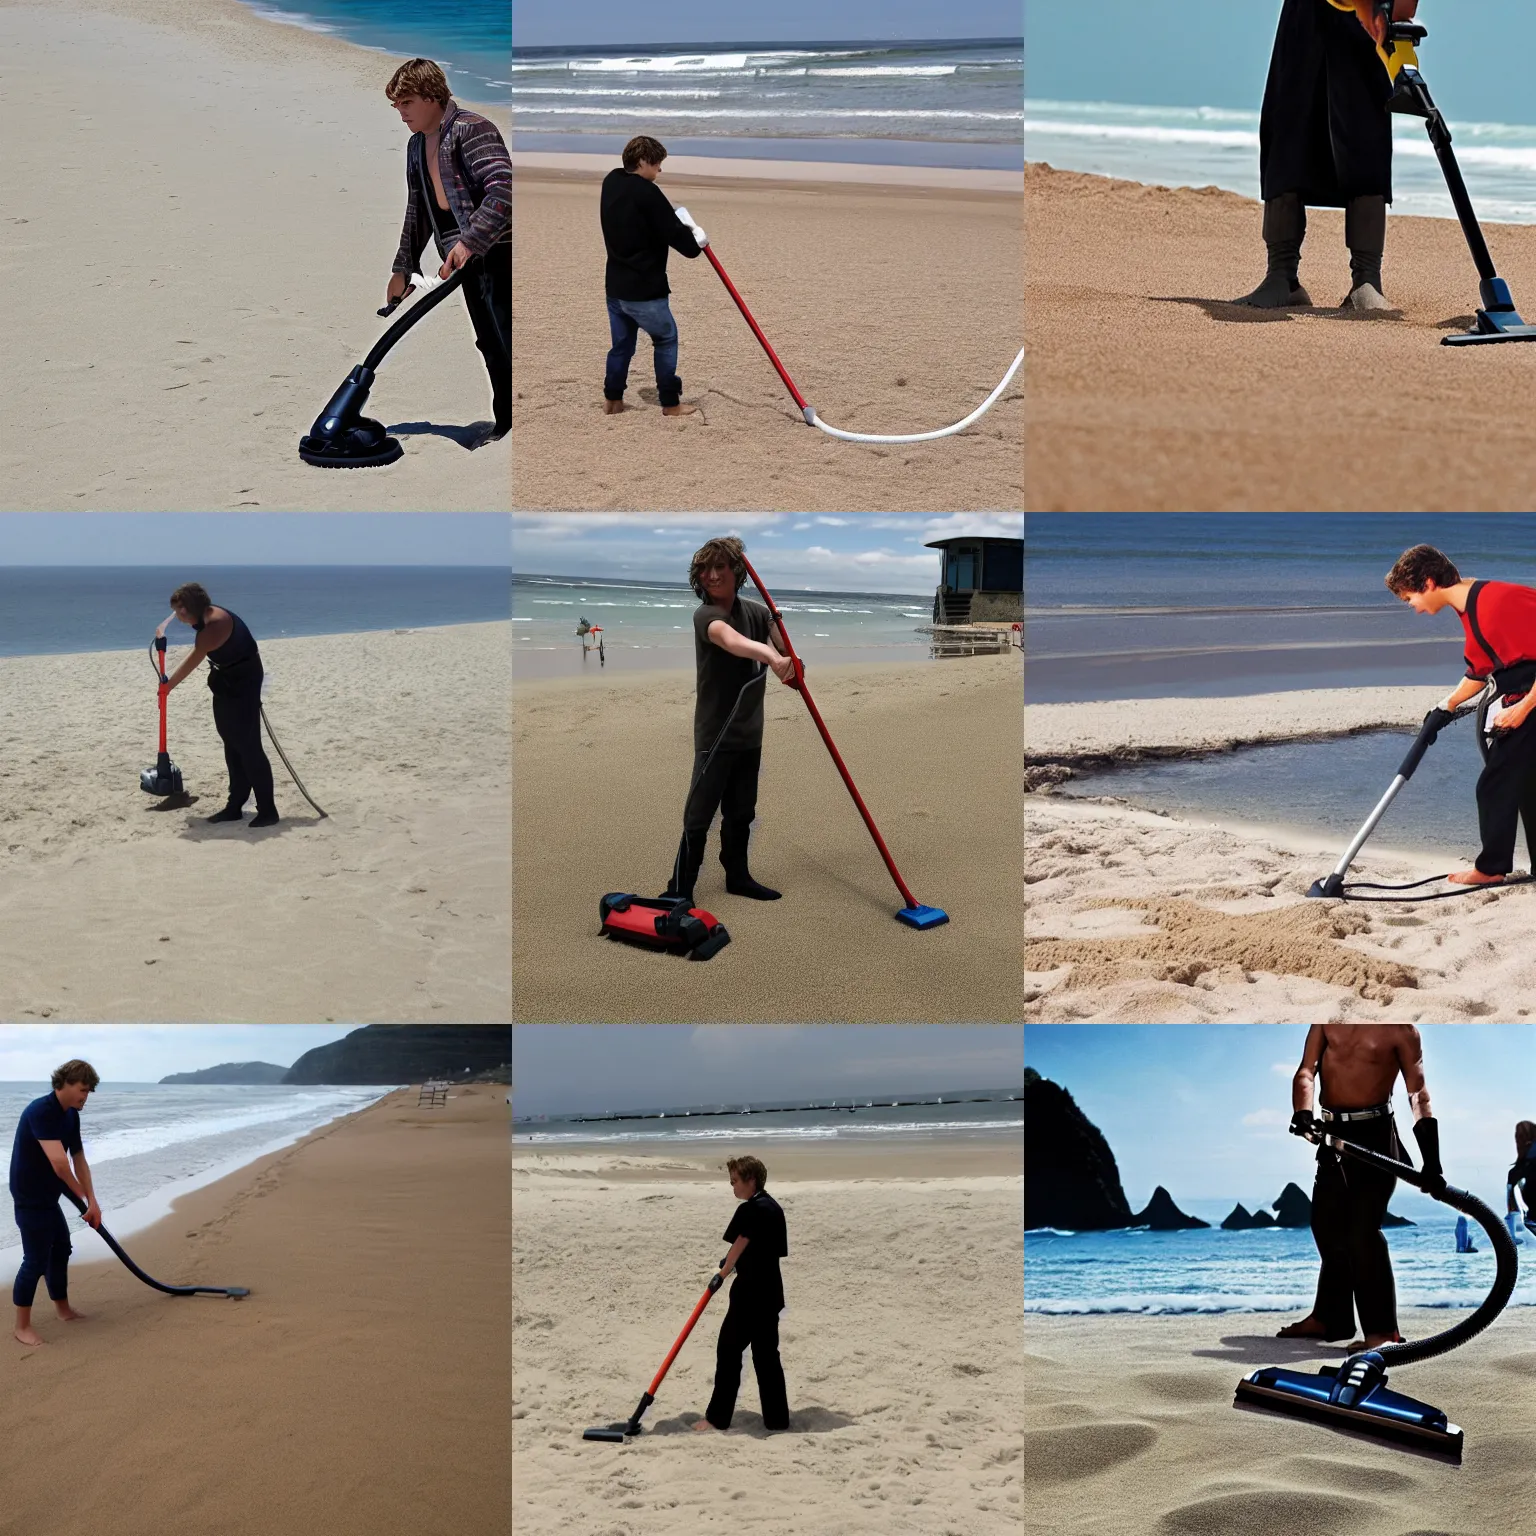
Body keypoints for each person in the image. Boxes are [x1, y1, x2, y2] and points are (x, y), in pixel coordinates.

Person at [1237, 0, 1419, 311]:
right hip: (1305, 10)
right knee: (1287, 127)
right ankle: (1282, 276)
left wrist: (1398, 12)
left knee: (1364, 135)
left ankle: (1366, 280)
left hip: (1367, 16)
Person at [1278, 1024, 1442, 1350]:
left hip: (1377, 1137)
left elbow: (1417, 1092)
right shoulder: (1326, 1019)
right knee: (1325, 1226)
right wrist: (1303, 1113)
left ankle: (1383, 1332)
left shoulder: (1401, 1029)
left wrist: (1432, 1160)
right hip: (1332, 1134)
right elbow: (1306, 1072)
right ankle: (1331, 1318)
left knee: (1362, 1233)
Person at [1385, 544, 1536, 886]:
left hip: (1529, 699)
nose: (1415, 609)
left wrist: (1523, 707)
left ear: (1427, 583)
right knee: (1526, 785)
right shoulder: (1471, 609)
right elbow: (1480, 670)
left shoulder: (1496, 601)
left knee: (1496, 783)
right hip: (1520, 696)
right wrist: (1445, 706)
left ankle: (1491, 869)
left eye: (1410, 599)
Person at [663, 538, 797, 907]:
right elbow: (732, 640)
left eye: (721, 566)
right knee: (699, 815)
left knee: (742, 812)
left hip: (749, 733)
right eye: (705, 568)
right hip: (715, 735)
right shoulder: (706, 616)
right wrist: (770, 655)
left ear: (737, 571)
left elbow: (786, 654)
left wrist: (782, 645)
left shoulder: (758, 612)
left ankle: (737, 876)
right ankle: (679, 888)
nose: (712, 575)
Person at [385, 58, 511, 444]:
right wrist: (403, 268)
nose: (401, 112)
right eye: (396, 105)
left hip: (498, 249)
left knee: (508, 336)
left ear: (430, 96)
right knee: (489, 341)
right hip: (462, 256)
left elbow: (503, 190)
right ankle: (506, 422)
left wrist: (470, 241)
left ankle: (519, 424)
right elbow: (419, 208)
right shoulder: (416, 145)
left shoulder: (472, 130)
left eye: (406, 102)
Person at [600, 135, 704, 417]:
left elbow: (654, 222)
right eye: (657, 164)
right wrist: (695, 236)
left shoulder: (611, 181)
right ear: (643, 161)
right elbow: (686, 245)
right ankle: (670, 403)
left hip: (615, 288)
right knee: (666, 338)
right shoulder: (647, 192)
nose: (659, 170)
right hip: (644, 290)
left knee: (622, 345)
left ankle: (613, 400)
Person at [163, 583, 278, 828]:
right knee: (231, 744)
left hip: (243, 681)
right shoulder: (204, 618)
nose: (177, 618)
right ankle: (235, 806)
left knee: (249, 747)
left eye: (178, 612)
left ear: (187, 609)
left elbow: (193, 659)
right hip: (225, 679)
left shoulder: (213, 627)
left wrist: (169, 685)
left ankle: (268, 810)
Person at [694, 1156, 790, 1433]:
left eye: (735, 1181)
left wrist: (721, 1274)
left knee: (728, 1350)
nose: (733, 1187)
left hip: (749, 1295)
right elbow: (758, 1249)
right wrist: (730, 1262)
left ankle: (717, 1418)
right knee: (766, 1357)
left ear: (751, 1180)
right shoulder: (773, 1207)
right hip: (771, 1293)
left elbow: (741, 1244)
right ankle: (777, 1420)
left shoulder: (750, 1210)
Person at [11, 1060, 102, 1347]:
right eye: (82, 1090)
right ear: (63, 1084)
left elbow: (78, 1159)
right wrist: (81, 1199)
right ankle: (21, 1326)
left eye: (89, 1091)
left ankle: (62, 1310)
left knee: (61, 1247)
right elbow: (60, 1164)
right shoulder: (41, 1111)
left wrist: (92, 1200)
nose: (85, 1096)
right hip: (29, 1196)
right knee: (35, 1260)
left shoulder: (70, 1116)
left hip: (49, 1194)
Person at [1509, 1120, 1536, 1233]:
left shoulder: (1517, 1172)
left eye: (1522, 1136)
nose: (1518, 1141)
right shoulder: (1515, 1172)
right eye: (1517, 1136)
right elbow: (1512, 1208)